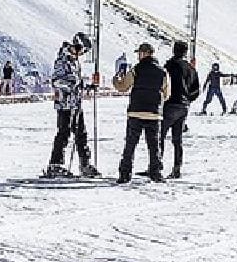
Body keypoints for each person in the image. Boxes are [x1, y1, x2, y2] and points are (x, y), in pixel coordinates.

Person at [112, 43, 170, 183]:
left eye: (139, 53)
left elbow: (123, 87)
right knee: (153, 145)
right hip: (154, 113)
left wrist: (116, 79)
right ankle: (155, 172)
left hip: (135, 112)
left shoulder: (135, 69)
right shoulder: (163, 72)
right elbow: (167, 93)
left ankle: (125, 174)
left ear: (144, 54)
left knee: (130, 145)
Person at [45, 35, 100, 178]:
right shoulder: (62, 60)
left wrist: (90, 86)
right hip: (65, 104)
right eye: (82, 50)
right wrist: (73, 84)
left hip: (76, 103)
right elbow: (57, 81)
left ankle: (85, 164)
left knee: (81, 134)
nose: (82, 54)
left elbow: (77, 83)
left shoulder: (74, 61)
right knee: (64, 133)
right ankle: (55, 164)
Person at [159, 42, 201, 179]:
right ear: (185, 52)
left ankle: (156, 166)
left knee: (160, 136)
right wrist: (188, 100)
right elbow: (196, 90)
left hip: (169, 104)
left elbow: (163, 84)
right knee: (177, 140)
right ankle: (177, 168)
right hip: (184, 106)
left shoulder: (169, 66)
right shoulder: (191, 68)